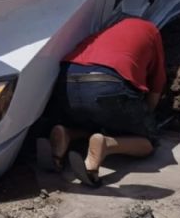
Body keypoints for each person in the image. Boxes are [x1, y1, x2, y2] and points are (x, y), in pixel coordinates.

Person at [49, 17, 166, 187]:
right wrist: (144, 121)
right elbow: (156, 86)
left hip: (65, 83)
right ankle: (107, 145)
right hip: (107, 85)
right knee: (148, 142)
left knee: (96, 118)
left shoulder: (104, 32)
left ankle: (67, 133)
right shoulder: (152, 31)